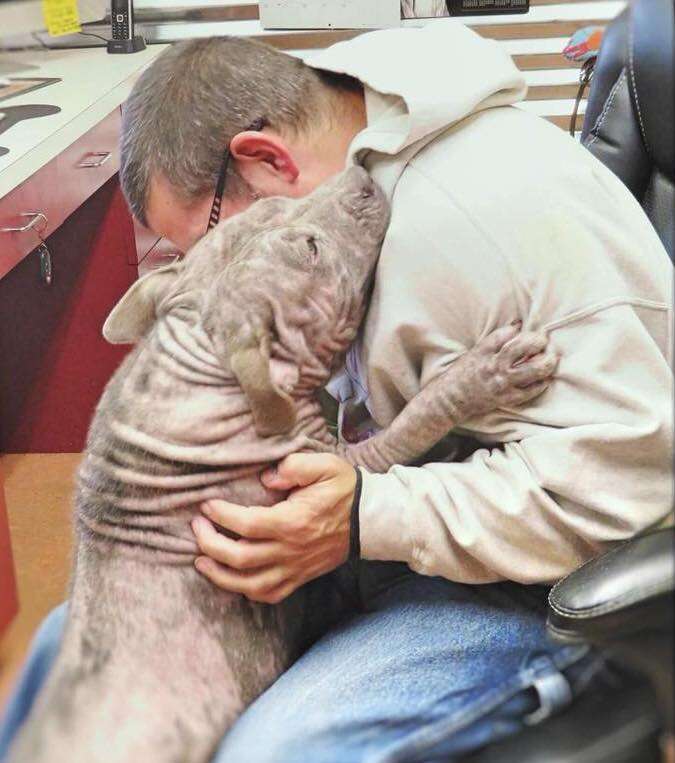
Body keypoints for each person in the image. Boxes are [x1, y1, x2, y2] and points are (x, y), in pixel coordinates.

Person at [1, 23, 672, 763]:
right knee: (68, 646)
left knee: (272, 750)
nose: (210, 271)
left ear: (263, 158)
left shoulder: (468, 219)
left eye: (209, 242)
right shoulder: (349, 140)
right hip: (406, 530)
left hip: (543, 575)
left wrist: (361, 516)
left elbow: (627, 489)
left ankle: (594, 685)